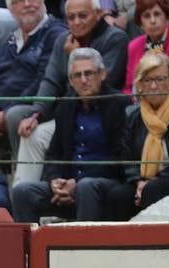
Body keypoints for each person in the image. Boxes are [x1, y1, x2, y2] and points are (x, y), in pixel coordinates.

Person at [14, 0, 128, 185]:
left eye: (82, 16)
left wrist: (76, 54)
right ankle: (28, 189)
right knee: (31, 133)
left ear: (98, 15)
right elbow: (50, 81)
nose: (76, 22)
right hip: (67, 115)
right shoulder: (63, 40)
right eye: (71, 17)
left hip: (100, 116)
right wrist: (36, 113)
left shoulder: (115, 38)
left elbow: (97, 88)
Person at [11, 48, 128, 223]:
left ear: (102, 74)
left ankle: (83, 248)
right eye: (76, 76)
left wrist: (76, 183)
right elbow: (54, 155)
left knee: (86, 187)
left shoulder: (120, 105)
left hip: (105, 182)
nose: (83, 80)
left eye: (88, 73)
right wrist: (55, 182)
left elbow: (120, 159)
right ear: (71, 82)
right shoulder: (66, 106)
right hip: (69, 184)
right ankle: (26, 250)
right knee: (22, 191)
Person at [0, 0, 65, 175]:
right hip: (2, 111)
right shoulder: (10, 39)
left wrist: (5, 112)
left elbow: (42, 81)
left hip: (37, 106)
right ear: (11, 10)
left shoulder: (55, 33)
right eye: (18, 1)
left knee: (14, 115)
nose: (27, 4)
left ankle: (21, 181)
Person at [109, 50, 169, 215]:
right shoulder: (131, 114)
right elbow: (126, 158)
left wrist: (153, 180)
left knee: (153, 189)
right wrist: (138, 181)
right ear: (140, 84)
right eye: (148, 80)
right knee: (117, 195)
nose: (154, 86)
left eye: (159, 79)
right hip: (143, 181)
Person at [123, 0, 169, 95]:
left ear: (167, 18)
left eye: (157, 14)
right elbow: (129, 88)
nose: (153, 21)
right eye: (147, 16)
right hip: (141, 105)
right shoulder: (134, 46)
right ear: (140, 23)